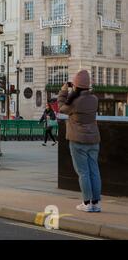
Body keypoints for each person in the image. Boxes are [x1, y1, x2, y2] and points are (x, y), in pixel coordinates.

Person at [58, 70, 102, 213]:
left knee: (83, 172)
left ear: (75, 86)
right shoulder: (94, 99)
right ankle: (95, 203)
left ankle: (86, 203)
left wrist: (64, 91)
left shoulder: (75, 101)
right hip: (94, 140)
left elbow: (61, 108)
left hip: (78, 140)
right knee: (94, 171)